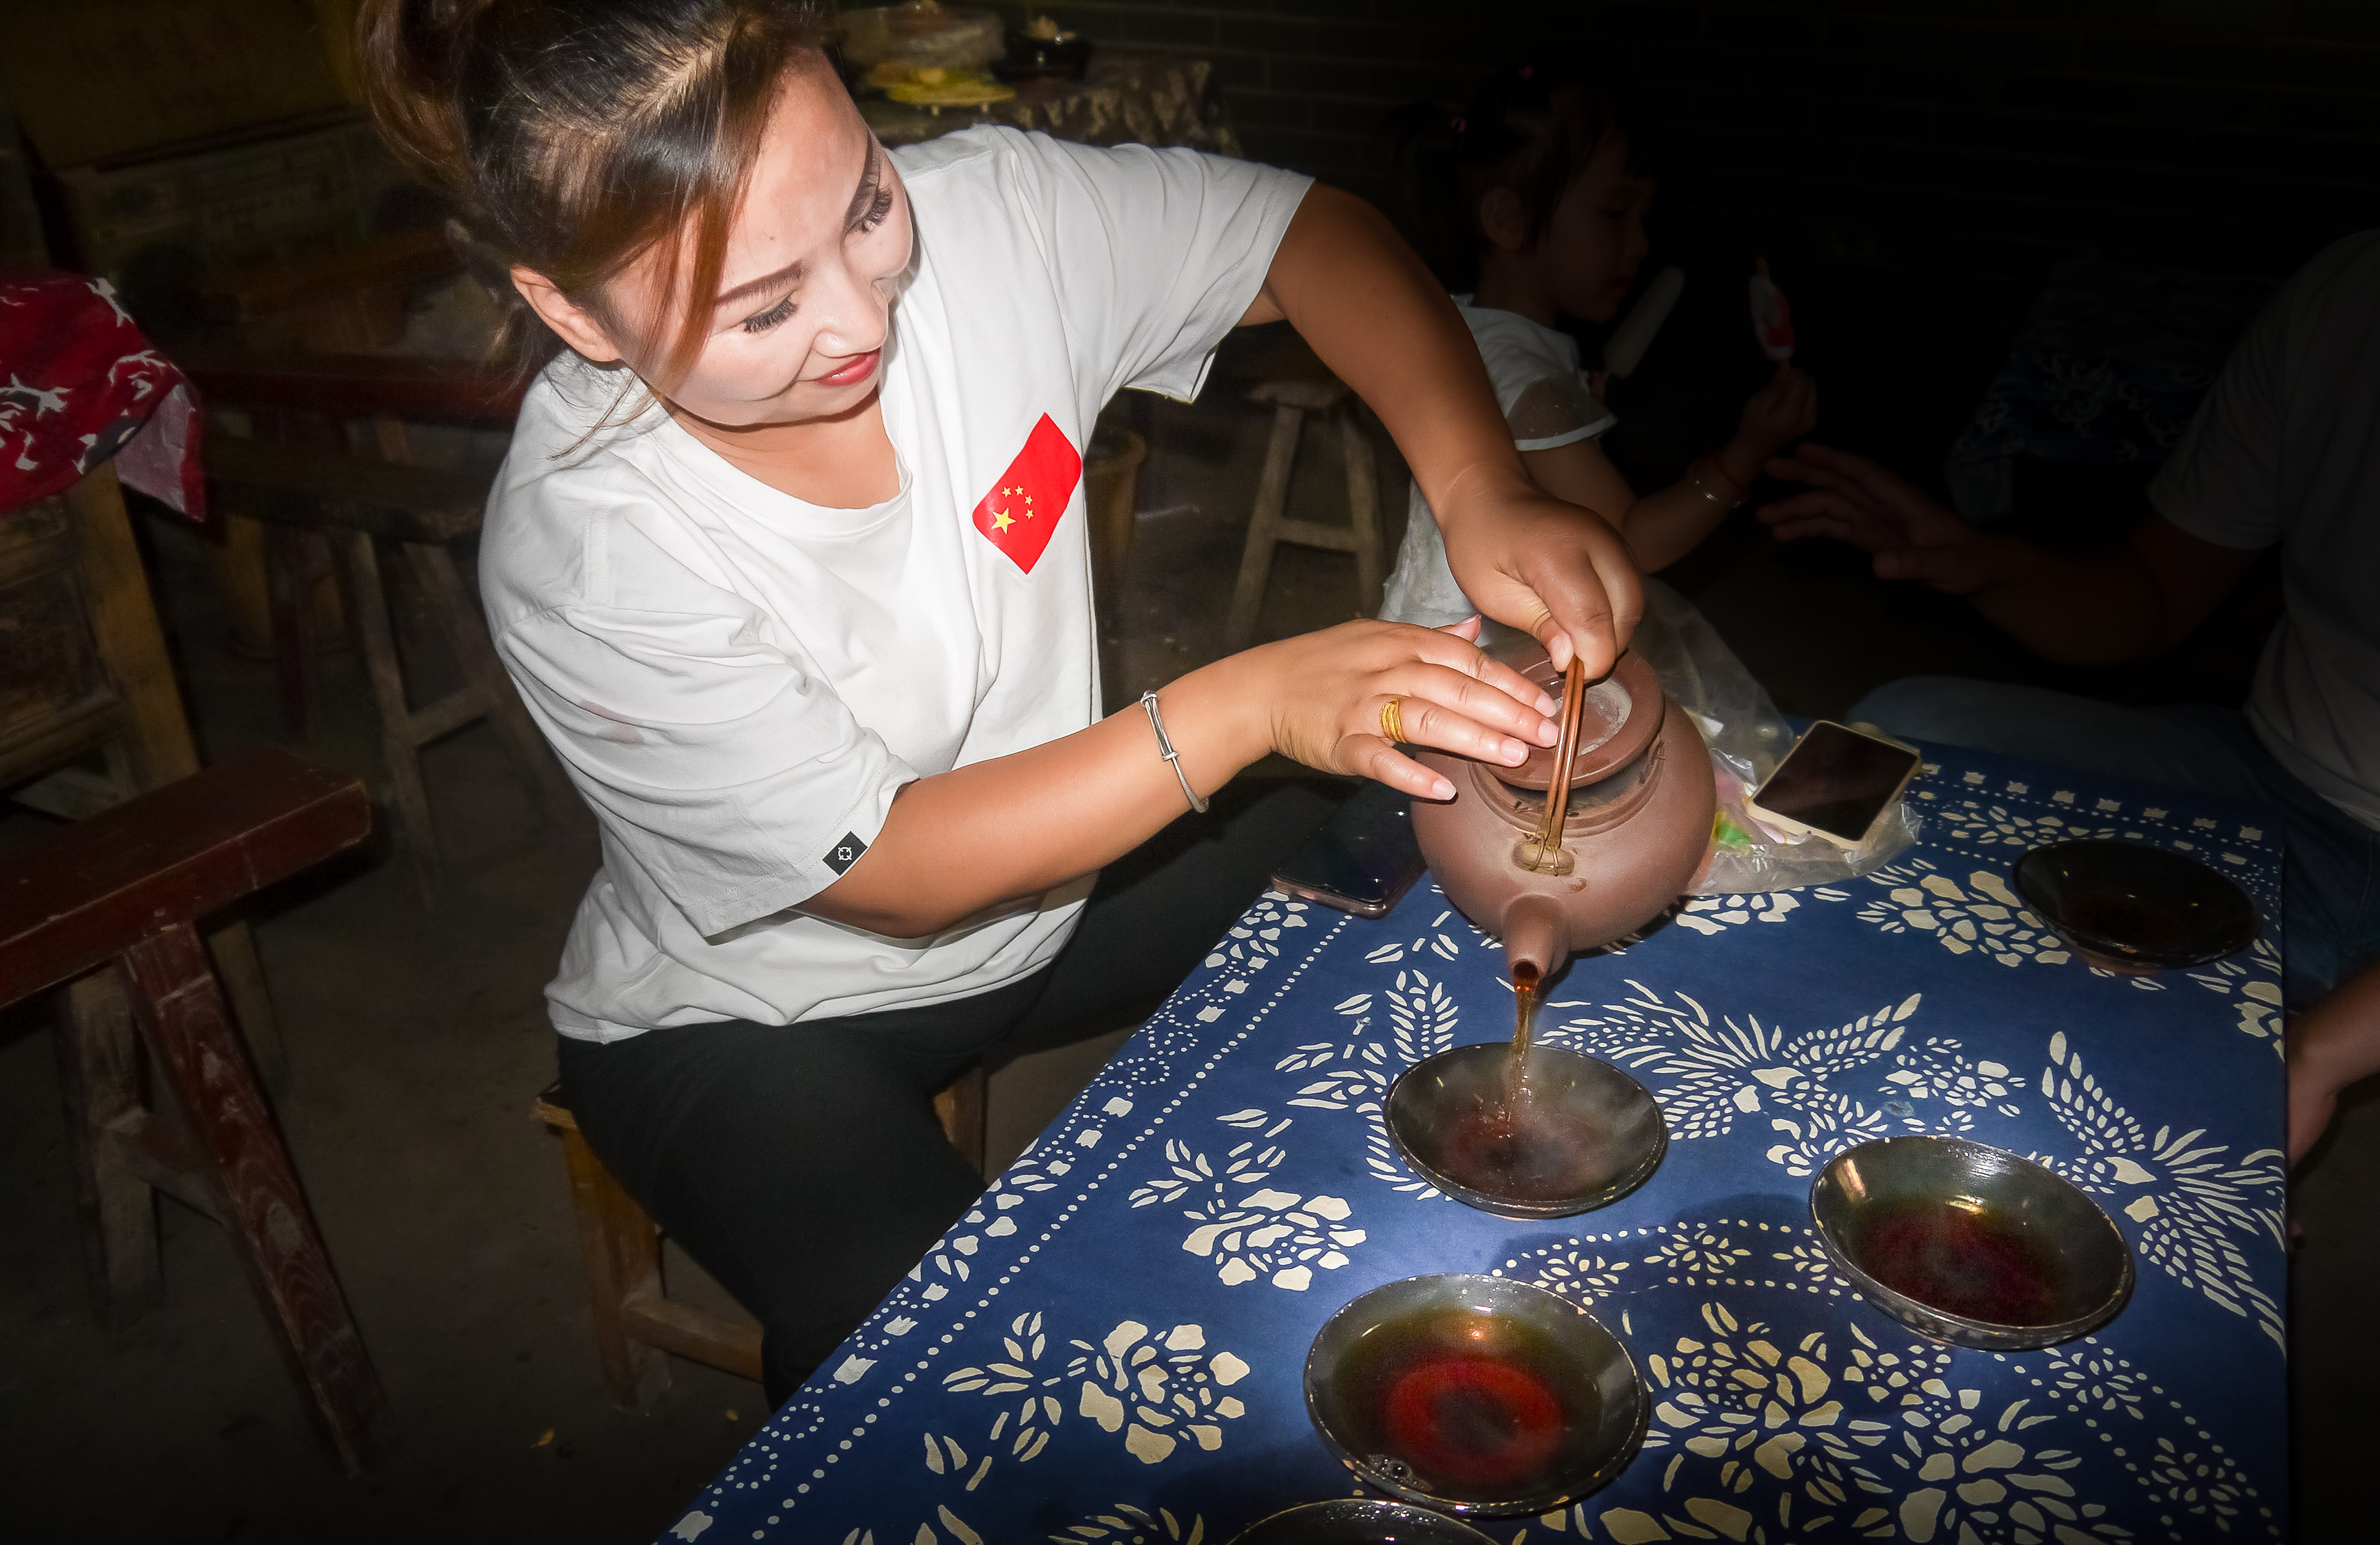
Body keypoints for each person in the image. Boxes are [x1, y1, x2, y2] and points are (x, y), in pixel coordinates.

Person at [360, 0, 1648, 1404]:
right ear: (568, 311)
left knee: (1407, 813)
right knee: (943, 1363)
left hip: (1047, 911)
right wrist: (1243, 703)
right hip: (758, 1019)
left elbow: (1309, 234)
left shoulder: (992, 226)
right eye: (764, 306)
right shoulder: (588, 548)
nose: (866, 316)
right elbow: (900, 872)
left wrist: (1480, 486)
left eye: (864, 205)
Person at [1756, 231, 2380, 1167]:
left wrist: (2316, 1055)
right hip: (2265, 767)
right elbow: (2155, 595)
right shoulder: (2344, 297)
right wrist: (1988, 567)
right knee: (1903, 725)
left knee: (2165, 1088)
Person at [1376, 65, 1818, 629]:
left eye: (1645, 217)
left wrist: (1570, 401)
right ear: (1507, 220)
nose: (1640, 243)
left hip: (1432, 627)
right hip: (1479, 659)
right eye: (1614, 213)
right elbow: (1630, 540)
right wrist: (1747, 454)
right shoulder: (1524, 376)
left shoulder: (1465, 324)